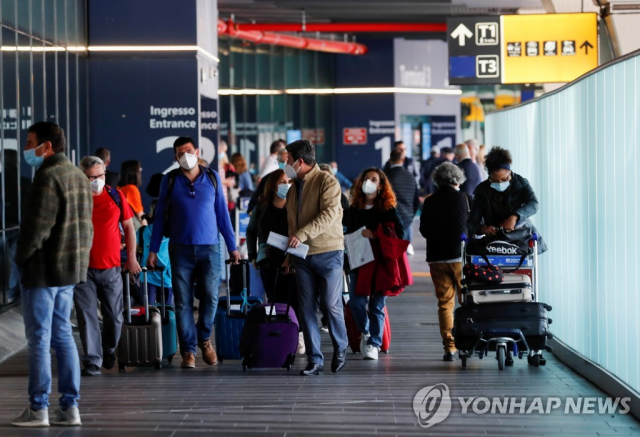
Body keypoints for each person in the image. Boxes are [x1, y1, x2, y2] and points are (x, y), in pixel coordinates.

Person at [12, 122, 92, 427]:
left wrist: (20, 260)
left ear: (47, 147)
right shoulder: (77, 175)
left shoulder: (47, 177)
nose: (27, 149)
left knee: (40, 340)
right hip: (69, 272)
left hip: (43, 273)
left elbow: (35, 231)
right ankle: (70, 408)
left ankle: (38, 409)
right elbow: (87, 227)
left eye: (31, 143)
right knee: (63, 336)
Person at [148, 136, 240, 369]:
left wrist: (232, 246)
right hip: (179, 249)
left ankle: (205, 339)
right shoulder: (169, 181)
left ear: (197, 151)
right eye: (180, 153)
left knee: (210, 296)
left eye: (188, 151)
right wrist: (153, 250)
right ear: (175, 157)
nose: (185, 156)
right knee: (182, 302)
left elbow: (222, 215)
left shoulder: (212, 178)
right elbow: (158, 218)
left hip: (210, 248)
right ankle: (188, 351)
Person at [283, 139, 348, 376]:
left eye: (287, 160)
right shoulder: (292, 188)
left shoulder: (327, 182)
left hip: (328, 252)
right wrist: (290, 256)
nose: (285, 163)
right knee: (306, 308)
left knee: (331, 305)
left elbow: (329, 214)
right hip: (301, 256)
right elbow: (291, 223)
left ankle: (341, 347)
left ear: (300, 161)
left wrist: (301, 234)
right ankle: (315, 359)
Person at [74, 156, 142, 377]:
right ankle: (93, 360)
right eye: (91, 177)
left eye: (100, 175)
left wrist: (131, 258)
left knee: (114, 316)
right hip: (82, 269)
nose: (96, 180)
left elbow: (130, 229)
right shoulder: (75, 198)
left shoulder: (116, 195)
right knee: (87, 316)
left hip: (112, 268)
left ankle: (109, 348)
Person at [346, 168, 405, 360]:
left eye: (373, 179)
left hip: (381, 262)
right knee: (356, 302)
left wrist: (376, 234)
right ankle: (366, 332)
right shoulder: (353, 209)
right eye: (366, 178)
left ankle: (374, 343)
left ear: (380, 186)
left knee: (377, 305)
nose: (368, 182)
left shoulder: (388, 209)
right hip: (359, 260)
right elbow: (345, 230)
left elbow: (400, 233)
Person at [246, 169, 305, 355]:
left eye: (289, 180)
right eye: (282, 181)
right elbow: (251, 231)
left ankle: (298, 334)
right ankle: (278, 335)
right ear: (272, 185)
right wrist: (252, 255)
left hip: (293, 261)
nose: (286, 184)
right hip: (269, 261)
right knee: (274, 300)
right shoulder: (261, 208)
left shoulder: (296, 206)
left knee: (295, 300)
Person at [419, 162, 469, 362]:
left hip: (437, 259)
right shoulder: (465, 199)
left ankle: (450, 347)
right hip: (460, 258)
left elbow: (423, 231)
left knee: (445, 304)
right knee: (466, 303)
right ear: (457, 180)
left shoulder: (430, 202)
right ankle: (467, 342)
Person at [467, 146, 548, 250]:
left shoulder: (521, 183)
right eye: (495, 180)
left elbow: (534, 204)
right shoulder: (482, 191)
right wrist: (483, 229)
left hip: (521, 239)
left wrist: (514, 217)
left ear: (510, 171)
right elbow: (471, 223)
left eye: (505, 179)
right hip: (496, 242)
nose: (500, 183)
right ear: (489, 176)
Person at [385, 149, 420, 255]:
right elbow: (416, 200)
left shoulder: (386, 176)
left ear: (390, 160)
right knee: (403, 249)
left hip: (389, 218)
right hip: (407, 218)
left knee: (390, 249)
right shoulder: (410, 177)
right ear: (403, 160)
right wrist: (411, 216)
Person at [138, 200, 173, 305]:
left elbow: (135, 253)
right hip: (166, 277)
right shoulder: (174, 231)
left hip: (150, 276)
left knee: (150, 311)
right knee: (167, 311)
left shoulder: (142, 231)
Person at [247, 148, 288, 214]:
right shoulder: (268, 178)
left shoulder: (296, 179)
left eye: (286, 161)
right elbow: (256, 199)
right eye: (281, 161)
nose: (284, 163)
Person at [118, 160, 148, 229]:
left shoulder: (119, 188)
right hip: (133, 228)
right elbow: (140, 214)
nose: (140, 171)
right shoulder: (131, 189)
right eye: (139, 169)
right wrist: (147, 230)